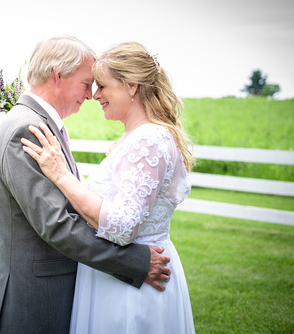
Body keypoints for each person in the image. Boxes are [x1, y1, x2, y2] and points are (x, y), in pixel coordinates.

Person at [0, 36, 172, 334]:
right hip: (34, 300)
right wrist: (135, 262)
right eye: (86, 83)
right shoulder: (28, 128)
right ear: (58, 75)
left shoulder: (40, 123)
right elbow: (58, 223)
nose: (90, 95)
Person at [21, 41, 196, 333]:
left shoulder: (148, 140)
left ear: (131, 86)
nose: (94, 95)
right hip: (118, 278)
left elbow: (124, 226)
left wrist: (62, 176)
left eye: (102, 86)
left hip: (133, 288)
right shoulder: (138, 137)